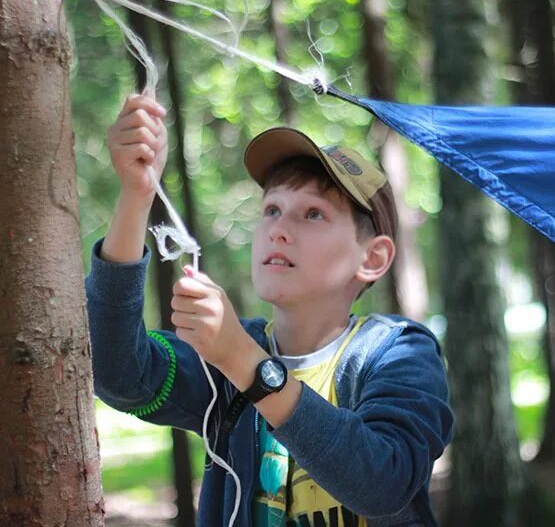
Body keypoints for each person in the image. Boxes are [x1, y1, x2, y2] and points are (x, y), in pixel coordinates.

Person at [86, 92, 454, 526]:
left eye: (313, 214)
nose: (279, 228)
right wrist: (136, 194)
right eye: (272, 209)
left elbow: (381, 484)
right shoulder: (222, 365)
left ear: (371, 258)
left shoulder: (398, 353)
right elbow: (117, 374)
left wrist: (242, 359)